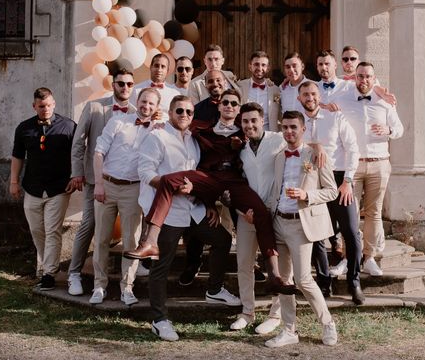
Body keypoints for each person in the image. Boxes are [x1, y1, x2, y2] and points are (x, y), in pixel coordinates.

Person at [125, 90, 296, 295]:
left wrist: (317, 148)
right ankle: (151, 240)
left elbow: (291, 141)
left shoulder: (246, 132)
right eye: (226, 102)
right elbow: (175, 125)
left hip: (234, 182)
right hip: (208, 179)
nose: (229, 106)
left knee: (260, 211)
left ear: (239, 109)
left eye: (234, 103)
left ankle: (274, 276)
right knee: (169, 180)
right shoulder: (200, 129)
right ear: (219, 105)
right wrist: (207, 203)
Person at [139, 95, 239, 341]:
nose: (184, 115)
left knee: (222, 239)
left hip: (193, 208)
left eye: (189, 112)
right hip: (168, 211)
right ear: (171, 112)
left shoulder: (194, 141)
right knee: (162, 265)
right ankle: (159, 319)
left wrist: (207, 204)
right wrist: (169, 186)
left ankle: (214, 289)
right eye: (180, 111)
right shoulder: (157, 136)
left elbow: (197, 175)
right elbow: (145, 172)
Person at [265, 111, 338, 348]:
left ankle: (327, 323)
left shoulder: (315, 154)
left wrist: (307, 195)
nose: (289, 131)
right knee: (285, 280)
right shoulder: (278, 157)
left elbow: (332, 191)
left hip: (300, 224)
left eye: (293, 127)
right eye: (285, 127)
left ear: (303, 129)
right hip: (279, 222)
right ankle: (289, 330)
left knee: (304, 278)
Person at [66, 69, 136, 296]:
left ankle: (131, 278)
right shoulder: (94, 107)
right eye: (121, 83)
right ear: (113, 84)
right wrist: (77, 172)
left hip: (124, 183)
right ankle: (74, 273)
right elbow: (78, 143)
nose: (125, 88)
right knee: (89, 223)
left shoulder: (137, 112)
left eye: (129, 84)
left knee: (130, 232)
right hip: (93, 179)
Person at [88, 88, 160, 306]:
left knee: (131, 240)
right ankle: (99, 286)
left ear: (157, 108)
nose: (146, 106)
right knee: (101, 238)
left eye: (151, 104)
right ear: (137, 101)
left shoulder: (157, 131)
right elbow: (98, 152)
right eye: (144, 101)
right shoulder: (118, 121)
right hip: (107, 185)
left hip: (134, 189)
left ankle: (127, 288)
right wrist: (99, 183)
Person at [297, 81, 364, 304]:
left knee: (351, 232)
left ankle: (354, 281)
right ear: (299, 98)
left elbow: (353, 149)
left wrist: (348, 181)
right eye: (305, 94)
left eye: (313, 93)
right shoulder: (296, 123)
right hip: (312, 181)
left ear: (319, 96)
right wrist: (314, 146)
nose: (310, 97)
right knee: (316, 234)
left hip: (338, 179)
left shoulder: (336, 118)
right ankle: (324, 284)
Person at [336, 62, 404, 276]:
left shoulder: (385, 103)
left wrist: (388, 129)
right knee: (350, 214)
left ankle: (370, 258)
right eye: (360, 76)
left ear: (375, 79)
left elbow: (400, 129)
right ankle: (348, 257)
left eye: (368, 77)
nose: (363, 80)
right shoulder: (343, 100)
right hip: (352, 165)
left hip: (379, 163)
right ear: (354, 78)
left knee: (374, 213)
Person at [10, 87, 76, 291]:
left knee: (53, 230)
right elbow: (17, 156)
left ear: (54, 104)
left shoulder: (69, 126)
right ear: (34, 106)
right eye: (41, 106)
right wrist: (14, 181)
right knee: (37, 230)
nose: (45, 109)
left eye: (48, 105)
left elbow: (78, 154)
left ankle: (49, 273)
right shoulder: (24, 128)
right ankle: (45, 265)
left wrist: (75, 176)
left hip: (59, 187)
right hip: (33, 187)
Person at [230, 102, 285, 334]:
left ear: (262, 120)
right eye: (245, 121)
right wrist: (244, 211)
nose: (250, 125)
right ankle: (247, 312)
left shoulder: (278, 140)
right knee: (244, 262)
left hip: (274, 212)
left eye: (253, 120)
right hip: (247, 216)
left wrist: (319, 148)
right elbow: (236, 183)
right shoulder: (239, 148)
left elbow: (299, 151)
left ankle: (275, 314)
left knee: (279, 265)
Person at [238, 51, 280, 131]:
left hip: (269, 135)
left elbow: (279, 111)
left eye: (263, 65)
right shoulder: (240, 86)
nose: (260, 68)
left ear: (268, 68)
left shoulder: (275, 91)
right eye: (256, 64)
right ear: (250, 67)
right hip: (246, 135)